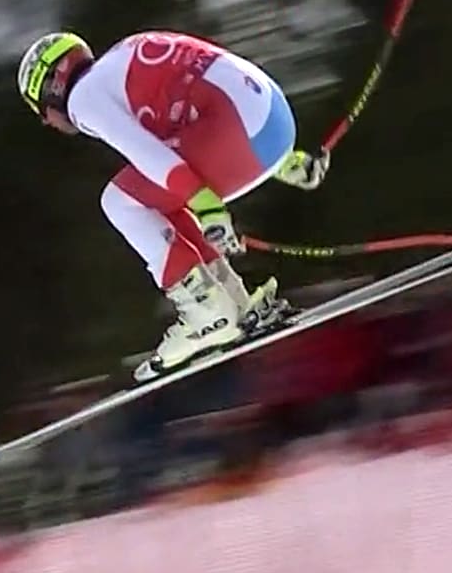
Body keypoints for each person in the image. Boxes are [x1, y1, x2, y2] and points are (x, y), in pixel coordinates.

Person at [17, 29, 330, 379]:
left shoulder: (83, 99)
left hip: (240, 132)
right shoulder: (123, 56)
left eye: (40, 109)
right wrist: (282, 161)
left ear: (53, 87)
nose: (46, 121)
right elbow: (212, 86)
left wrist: (205, 204)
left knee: (119, 202)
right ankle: (232, 302)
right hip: (273, 120)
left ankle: (207, 314)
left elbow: (147, 153)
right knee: (159, 195)